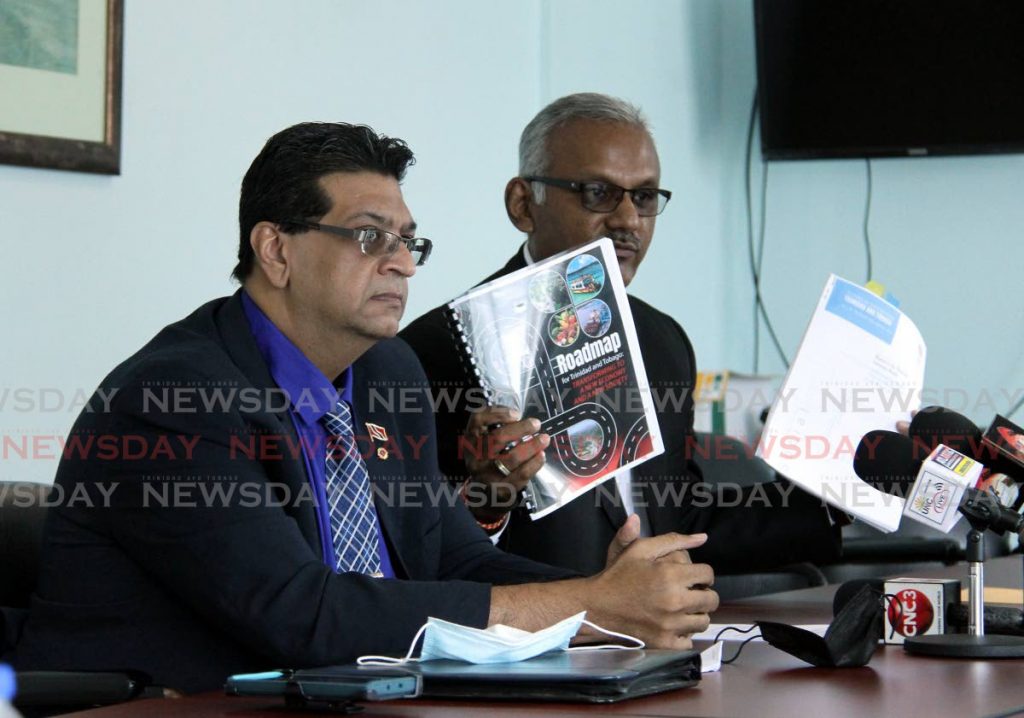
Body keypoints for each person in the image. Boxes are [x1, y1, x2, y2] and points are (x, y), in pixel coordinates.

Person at [12, 122, 717, 693]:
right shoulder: (174, 399)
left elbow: (458, 562)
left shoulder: (387, 374)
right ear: (276, 250)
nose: (403, 263)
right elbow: (304, 614)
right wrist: (592, 607)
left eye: (408, 241)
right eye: (369, 237)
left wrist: (620, 596)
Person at [401, 94, 840, 576]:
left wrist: (839, 499)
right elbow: (416, 551)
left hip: (660, 642)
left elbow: (681, 520)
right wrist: (487, 501)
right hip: (536, 642)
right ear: (524, 205)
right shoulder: (431, 350)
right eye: (598, 193)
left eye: (645, 197)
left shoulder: (663, 340)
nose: (628, 221)